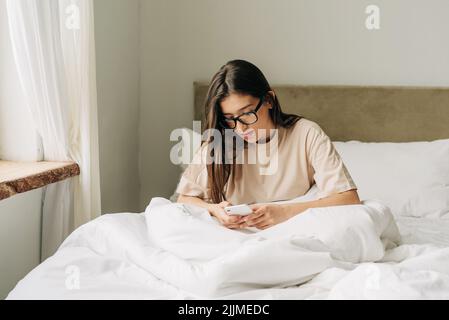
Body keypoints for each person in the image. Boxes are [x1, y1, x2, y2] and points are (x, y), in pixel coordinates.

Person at [177, 59, 360, 230]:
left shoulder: (306, 133)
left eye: (247, 113)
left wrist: (284, 212)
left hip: (297, 229)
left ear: (269, 100)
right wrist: (215, 209)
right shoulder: (220, 140)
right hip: (237, 235)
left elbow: (349, 199)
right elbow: (184, 199)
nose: (240, 128)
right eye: (230, 119)